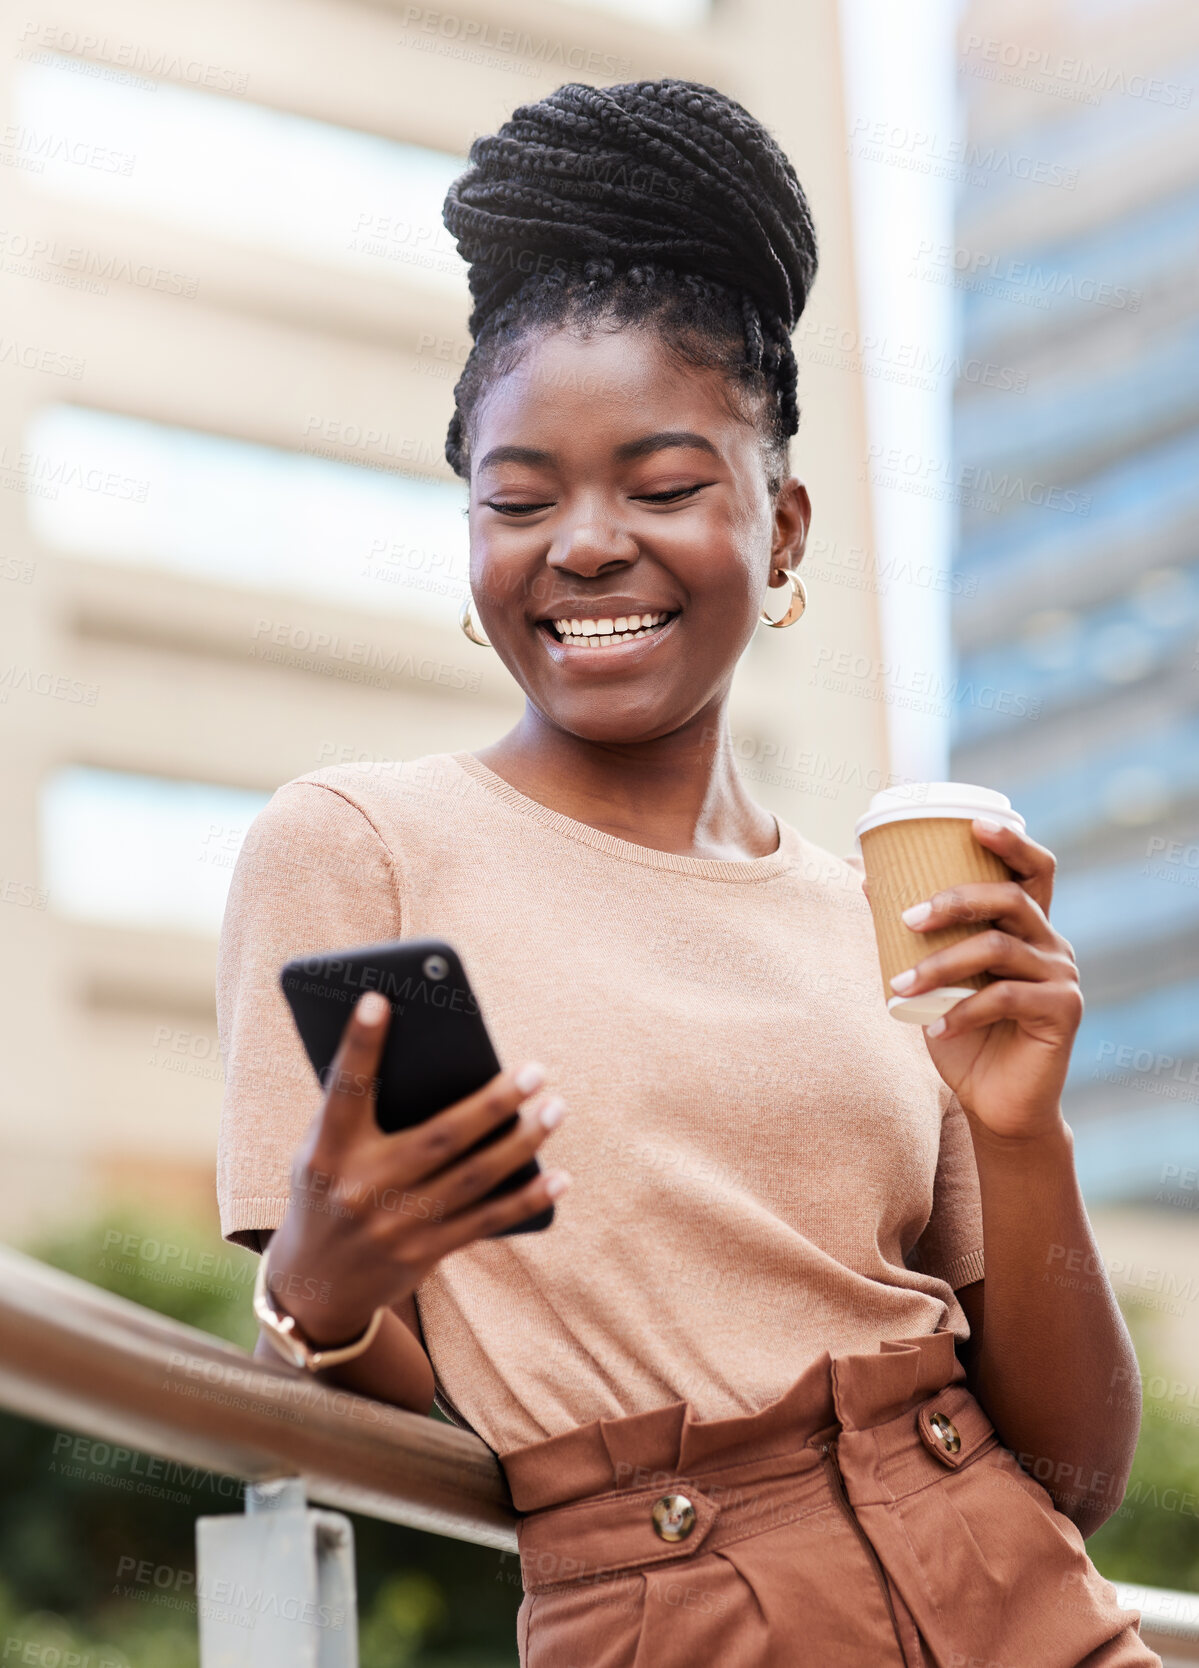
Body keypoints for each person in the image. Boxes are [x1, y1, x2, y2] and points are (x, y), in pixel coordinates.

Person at [216, 78, 1160, 1668]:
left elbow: (1077, 1477)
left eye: (662, 487)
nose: (584, 543)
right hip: (670, 1611)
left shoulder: (876, 910)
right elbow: (412, 1413)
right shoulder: (356, 848)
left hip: (1029, 1609)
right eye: (518, 499)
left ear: (781, 530)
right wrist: (324, 1290)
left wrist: (1021, 1132)